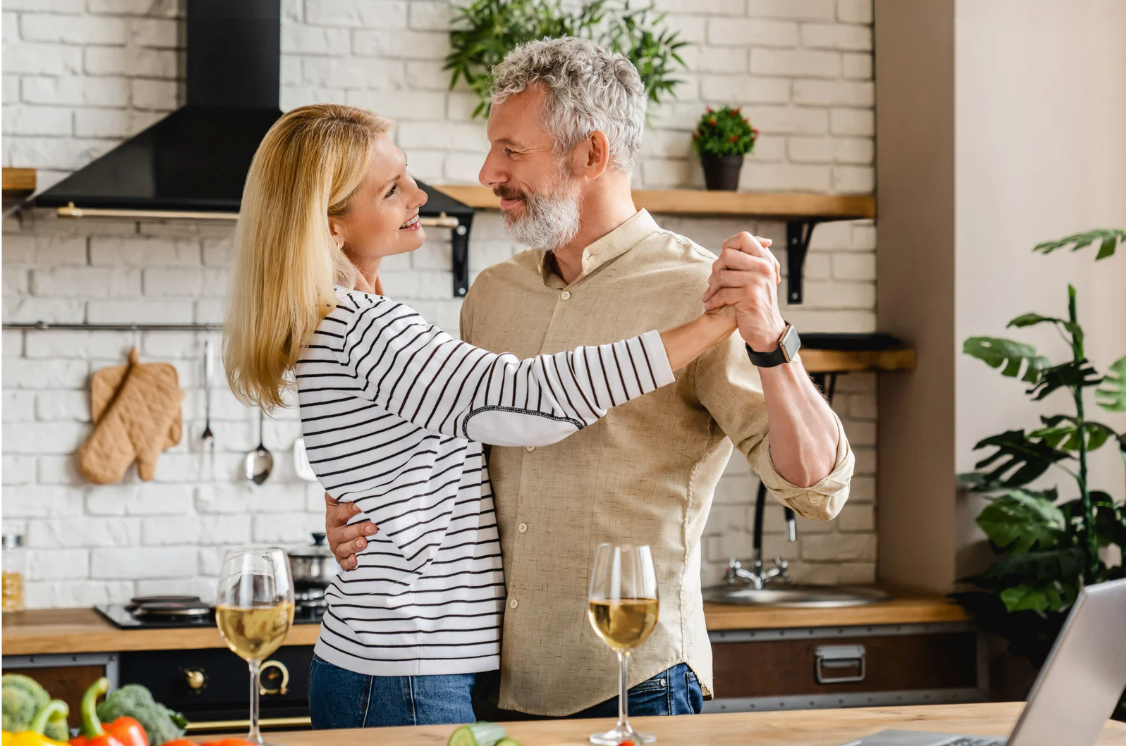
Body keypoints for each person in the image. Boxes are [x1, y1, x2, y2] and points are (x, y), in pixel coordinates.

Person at [326, 38, 856, 720]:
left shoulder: (703, 294)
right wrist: (361, 509)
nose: (488, 171)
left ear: (592, 155)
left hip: (634, 682)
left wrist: (771, 344)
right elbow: (450, 455)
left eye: (511, 151)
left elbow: (818, 491)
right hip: (489, 687)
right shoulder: (492, 296)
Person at [222, 104, 746, 728]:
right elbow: (529, 400)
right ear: (333, 227)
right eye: (391, 190)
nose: (419, 193)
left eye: (406, 175)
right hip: (409, 672)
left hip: (384, 663)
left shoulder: (332, 324)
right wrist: (712, 325)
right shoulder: (369, 330)